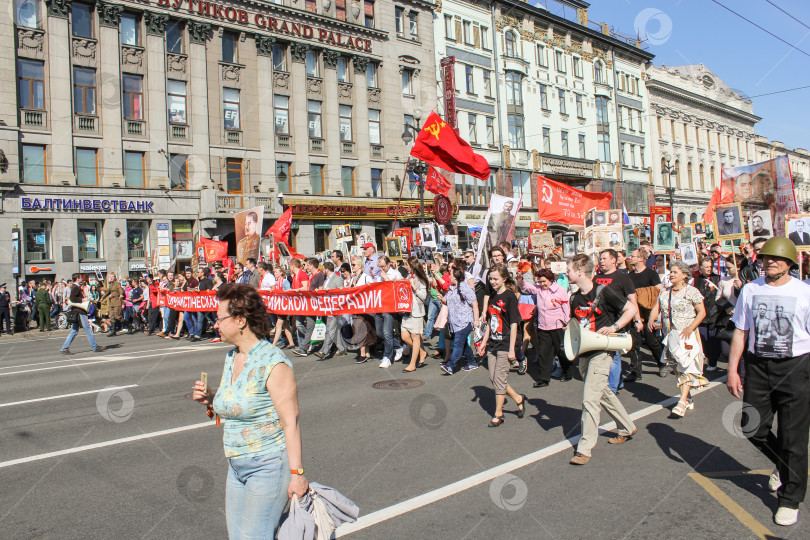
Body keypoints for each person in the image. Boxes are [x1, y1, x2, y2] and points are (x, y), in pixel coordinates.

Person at [192, 283, 308, 537]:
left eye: (219, 318)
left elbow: (291, 422)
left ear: (241, 320)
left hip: (267, 466)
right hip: (236, 465)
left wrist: (297, 474)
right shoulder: (232, 356)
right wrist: (210, 400)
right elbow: (235, 408)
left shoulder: (273, 362)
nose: (215, 324)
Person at [726, 237, 810, 527]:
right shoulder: (750, 289)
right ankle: (783, 464)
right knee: (752, 427)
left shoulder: (804, 293)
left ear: (789, 263)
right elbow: (740, 331)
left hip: (796, 367)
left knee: (793, 438)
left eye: (776, 258)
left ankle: (790, 498)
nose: (770, 262)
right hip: (758, 367)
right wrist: (733, 369)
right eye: (765, 258)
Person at [567, 254, 638, 466]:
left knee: (590, 399)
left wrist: (615, 327)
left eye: (569, 270)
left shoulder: (604, 291)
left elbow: (631, 309)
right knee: (602, 391)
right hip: (585, 352)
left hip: (602, 352)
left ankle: (585, 448)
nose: (566, 273)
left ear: (580, 271)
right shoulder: (575, 298)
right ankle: (626, 426)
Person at [649, 261, 708, 416]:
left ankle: (681, 403)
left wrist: (690, 327)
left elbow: (702, 312)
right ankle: (687, 397)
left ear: (684, 275)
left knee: (687, 367)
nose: (671, 274)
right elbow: (657, 307)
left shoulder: (692, 292)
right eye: (671, 272)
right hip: (671, 335)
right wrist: (651, 319)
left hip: (687, 334)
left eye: (675, 272)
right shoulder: (665, 292)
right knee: (676, 368)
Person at [475, 263, 527, 427]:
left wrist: (512, 349)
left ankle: (498, 414)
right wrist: (484, 341)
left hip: (506, 343)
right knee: (493, 378)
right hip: (493, 343)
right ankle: (518, 398)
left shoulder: (509, 296)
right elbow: (491, 321)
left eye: (495, 279)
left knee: (500, 378)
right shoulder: (494, 297)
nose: (492, 282)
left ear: (504, 279)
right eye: (490, 279)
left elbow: (514, 324)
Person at [517, 268, 570, 386]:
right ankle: (543, 379)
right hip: (543, 327)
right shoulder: (539, 290)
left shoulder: (560, 290)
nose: (542, 284)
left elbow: (566, 306)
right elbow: (526, 287)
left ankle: (567, 373)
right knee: (544, 353)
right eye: (539, 282)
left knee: (561, 352)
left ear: (550, 279)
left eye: (544, 281)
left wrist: (566, 321)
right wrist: (520, 280)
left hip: (557, 326)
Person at [627, 249, 666, 379]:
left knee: (651, 341)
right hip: (634, 313)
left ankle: (661, 363)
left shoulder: (651, 274)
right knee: (634, 343)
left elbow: (660, 290)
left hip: (649, 313)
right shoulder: (630, 276)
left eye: (632, 256)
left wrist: (647, 296)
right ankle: (636, 372)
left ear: (641, 258)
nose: (630, 257)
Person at [439, 267, 480, 375]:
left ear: (455, 276)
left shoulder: (465, 288)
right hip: (455, 323)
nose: (449, 276)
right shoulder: (452, 288)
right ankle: (472, 362)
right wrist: (441, 298)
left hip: (465, 322)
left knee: (458, 344)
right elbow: (446, 301)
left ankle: (451, 365)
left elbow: (474, 303)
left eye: (451, 274)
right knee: (463, 344)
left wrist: (476, 320)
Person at [61, 274, 105, 355]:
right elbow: (73, 299)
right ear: (77, 279)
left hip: (77, 311)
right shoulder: (76, 287)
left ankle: (64, 348)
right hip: (80, 311)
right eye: (81, 277)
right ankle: (95, 347)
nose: (82, 279)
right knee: (87, 329)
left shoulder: (75, 287)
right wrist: (83, 299)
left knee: (74, 330)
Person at [400, 257, 429, 372]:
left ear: (412, 266)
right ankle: (422, 352)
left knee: (416, 337)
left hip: (416, 312)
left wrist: (415, 288)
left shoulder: (421, 279)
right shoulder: (408, 276)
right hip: (407, 312)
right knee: (404, 336)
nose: (405, 267)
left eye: (407, 265)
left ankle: (413, 364)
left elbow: (423, 296)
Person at [315, 261, 348, 360]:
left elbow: (341, 292)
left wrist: (332, 291)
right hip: (327, 309)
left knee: (330, 330)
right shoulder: (326, 280)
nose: (322, 271)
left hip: (334, 309)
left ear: (326, 269)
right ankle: (342, 348)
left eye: (323, 269)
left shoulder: (337, 278)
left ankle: (324, 351)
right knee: (334, 330)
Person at [693, 257, 721, 370]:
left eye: (710, 266)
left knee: (713, 339)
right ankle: (706, 356)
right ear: (700, 268)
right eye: (706, 267)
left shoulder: (718, 278)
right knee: (703, 338)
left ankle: (713, 361)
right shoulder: (696, 280)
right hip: (702, 315)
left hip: (714, 313)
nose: (709, 269)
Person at [375, 255, 403, 368]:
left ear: (388, 264)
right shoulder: (379, 275)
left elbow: (396, 289)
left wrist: (385, 277)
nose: (381, 269)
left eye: (383, 266)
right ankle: (398, 345)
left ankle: (387, 357)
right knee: (379, 333)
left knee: (387, 333)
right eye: (379, 267)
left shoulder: (396, 274)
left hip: (389, 308)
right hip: (379, 306)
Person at [348, 256, 377, 363]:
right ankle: (367, 353)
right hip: (355, 308)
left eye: (354, 265)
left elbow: (372, 290)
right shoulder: (352, 278)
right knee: (359, 329)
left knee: (361, 330)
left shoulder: (366, 277)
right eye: (352, 265)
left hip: (364, 309)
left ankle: (362, 353)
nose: (352, 267)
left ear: (360, 265)